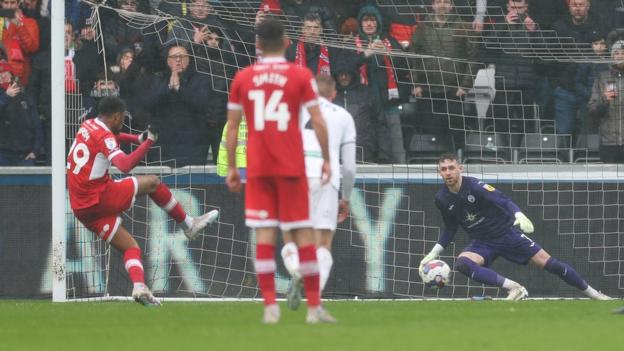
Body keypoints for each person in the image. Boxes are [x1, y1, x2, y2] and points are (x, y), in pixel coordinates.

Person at [225, 18, 334, 324]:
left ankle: (270, 307)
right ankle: (314, 308)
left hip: (259, 168)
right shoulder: (300, 75)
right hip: (291, 167)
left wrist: (233, 166)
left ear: (257, 44)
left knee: (264, 236)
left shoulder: (243, 77)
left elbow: (233, 127)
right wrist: (326, 158)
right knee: (303, 235)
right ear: (287, 41)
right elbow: (319, 120)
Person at [67, 96, 219, 306]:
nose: (123, 122)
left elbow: (113, 137)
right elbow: (124, 165)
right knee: (153, 183)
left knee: (130, 245)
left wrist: (137, 139)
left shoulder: (88, 125)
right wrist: (148, 142)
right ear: (116, 116)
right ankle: (189, 225)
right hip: (98, 196)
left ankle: (139, 287)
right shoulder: (105, 135)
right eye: (122, 118)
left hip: (81, 207)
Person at [420, 153, 611, 300]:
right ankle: (515, 288)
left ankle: (595, 294)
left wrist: (518, 214)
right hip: (481, 242)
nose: (448, 172)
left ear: (460, 168)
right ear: (439, 172)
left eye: (451, 168)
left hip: (506, 234)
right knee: (463, 264)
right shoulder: (441, 198)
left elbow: (502, 199)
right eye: (443, 169)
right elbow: (450, 228)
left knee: (550, 264)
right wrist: (434, 253)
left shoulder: (475, 186)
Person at [280, 74, 357, 310]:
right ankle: (315, 295)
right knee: (322, 243)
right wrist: (346, 197)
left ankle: (295, 270)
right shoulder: (343, 116)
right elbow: (350, 166)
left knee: (291, 238)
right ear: (333, 94)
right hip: (327, 179)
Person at [587, 40, 624, 163]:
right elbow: (592, 110)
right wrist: (605, 101)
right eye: (617, 53)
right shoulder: (602, 77)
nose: (620, 56)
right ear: (612, 56)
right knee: (609, 181)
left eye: (623, 53)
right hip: (608, 142)